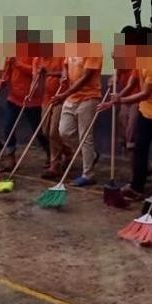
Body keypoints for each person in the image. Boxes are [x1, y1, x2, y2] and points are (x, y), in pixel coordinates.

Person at [101, 27, 152, 199]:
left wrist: (120, 100)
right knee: (139, 148)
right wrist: (116, 97)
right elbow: (131, 83)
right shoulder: (141, 60)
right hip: (146, 112)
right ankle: (137, 186)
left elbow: (145, 92)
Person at [54, 18, 104, 187]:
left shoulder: (93, 49)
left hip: (89, 97)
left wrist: (64, 94)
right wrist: (63, 74)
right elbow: (65, 64)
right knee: (63, 132)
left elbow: (86, 77)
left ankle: (88, 174)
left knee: (85, 136)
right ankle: (90, 154)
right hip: (71, 98)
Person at [1, 30, 50, 171]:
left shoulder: (35, 54)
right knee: (8, 127)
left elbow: (35, 71)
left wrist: (18, 64)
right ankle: (10, 157)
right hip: (13, 96)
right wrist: (5, 79)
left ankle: (51, 152)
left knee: (38, 129)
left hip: (31, 98)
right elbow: (8, 67)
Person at [35, 42, 69, 179]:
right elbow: (38, 77)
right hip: (47, 98)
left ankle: (55, 165)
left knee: (54, 131)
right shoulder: (40, 59)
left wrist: (50, 72)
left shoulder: (61, 55)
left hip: (61, 97)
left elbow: (67, 74)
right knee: (45, 131)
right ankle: (68, 151)